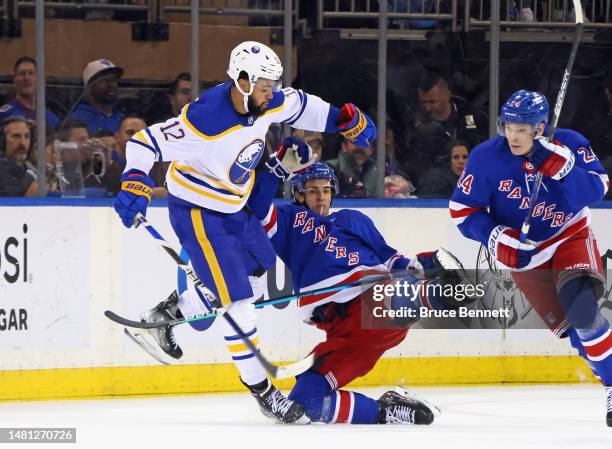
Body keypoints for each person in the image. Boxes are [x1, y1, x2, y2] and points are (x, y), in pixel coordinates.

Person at [113, 41, 376, 425]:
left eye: (273, 85)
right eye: (266, 86)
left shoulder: (266, 100)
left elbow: (301, 104)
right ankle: (264, 392)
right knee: (237, 302)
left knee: (259, 273)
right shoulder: (204, 118)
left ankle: (167, 315)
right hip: (200, 212)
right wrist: (134, 179)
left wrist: (340, 120)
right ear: (242, 81)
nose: (273, 94)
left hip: (234, 208)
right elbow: (145, 142)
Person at [246, 156, 474, 424]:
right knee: (305, 404)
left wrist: (424, 263)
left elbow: (393, 261)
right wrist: (279, 165)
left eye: (326, 190)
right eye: (312, 190)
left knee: (386, 301)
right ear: (297, 193)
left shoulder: (354, 220)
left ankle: (441, 295)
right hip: (344, 332)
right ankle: (386, 410)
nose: (321, 197)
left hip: (373, 303)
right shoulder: (288, 220)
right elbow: (257, 206)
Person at [449, 90, 612, 426]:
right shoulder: (485, 157)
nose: (513, 135)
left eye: (522, 128)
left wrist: (566, 171)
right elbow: (463, 210)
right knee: (575, 333)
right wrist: (495, 237)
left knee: (582, 311)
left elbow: (599, 189)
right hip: (527, 255)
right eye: (509, 126)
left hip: (569, 235)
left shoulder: (569, 143)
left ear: (540, 127)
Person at [401, 71, 485, 182]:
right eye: (423, 102)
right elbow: (414, 164)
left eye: (432, 102)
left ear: (448, 95)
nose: (427, 108)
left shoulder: (469, 112)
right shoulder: (415, 124)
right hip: (434, 184)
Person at [0, 56, 61, 130]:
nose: (27, 78)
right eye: (22, 73)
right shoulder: (4, 114)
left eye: (31, 73)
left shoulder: (52, 118)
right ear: (14, 80)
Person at [70, 59, 125, 135]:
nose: (111, 85)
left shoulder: (122, 118)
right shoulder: (78, 119)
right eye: (103, 81)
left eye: (113, 80)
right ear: (88, 88)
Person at [0, 115, 38, 197]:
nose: (23, 143)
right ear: (2, 141)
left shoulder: (28, 166)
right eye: (16, 136)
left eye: (27, 136)